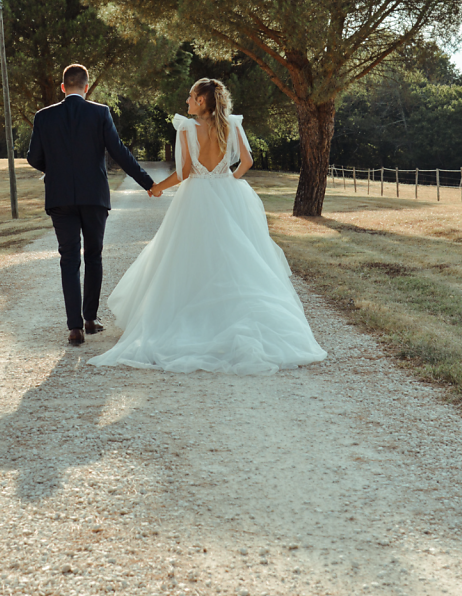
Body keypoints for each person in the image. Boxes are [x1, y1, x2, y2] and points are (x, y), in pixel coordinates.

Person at [89, 78, 327, 374]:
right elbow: (248, 161)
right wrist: (230, 179)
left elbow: (185, 172)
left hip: (197, 196)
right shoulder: (232, 125)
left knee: (191, 258)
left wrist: (158, 187)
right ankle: (233, 317)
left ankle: (195, 320)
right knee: (236, 258)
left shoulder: (187, 128)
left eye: (190, 96)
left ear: (202, 100)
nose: (187, 101)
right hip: (228, 192)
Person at [26, 63, 157, 346]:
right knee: (93, 256)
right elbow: (118, 151)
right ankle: (90, 318)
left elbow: (33, 157)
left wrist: (56, 170)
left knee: (69, 259)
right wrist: (147, 182)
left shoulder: (43, 117)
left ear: (63, 87)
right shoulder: (100, 113)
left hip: (60, 198)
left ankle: (74, 328)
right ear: (86, 87)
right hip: (94, 197)